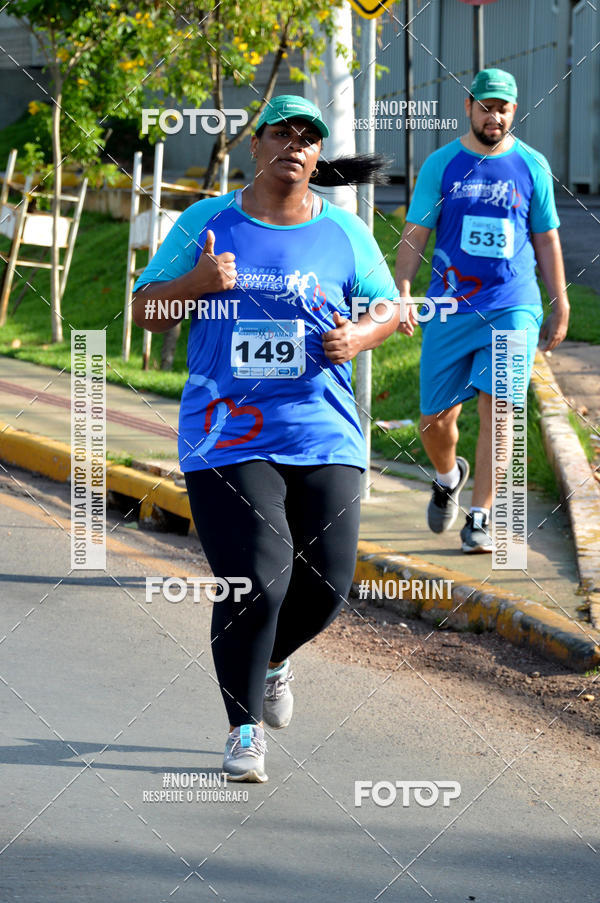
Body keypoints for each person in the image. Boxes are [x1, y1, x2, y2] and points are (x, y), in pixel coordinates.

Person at [132, 94, 400, 782]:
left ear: (317, 155)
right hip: (227, 435)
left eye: (308, 138)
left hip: (323, 430)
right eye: (281, 133)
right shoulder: (206, 221)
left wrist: (361, 334)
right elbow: (145, 310)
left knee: (328, 585)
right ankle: (243, 728)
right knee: (256, 580)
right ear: (257, 145)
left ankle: (274, 661)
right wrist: (196, 281)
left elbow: (389, 305)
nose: (295, 145)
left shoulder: (344, 231)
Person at [395, 68, 570, 553]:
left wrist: (559, 300)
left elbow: (546, 237)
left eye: (504, 108)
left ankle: (482, 517)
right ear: (469, 105)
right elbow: (415, 233)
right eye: (487, 106)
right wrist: (405, 288)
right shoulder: (442, 164)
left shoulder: (532, 166)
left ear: (515, 111)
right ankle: (449, 476)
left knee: (503, 410)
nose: (495, 116)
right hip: (449, 308)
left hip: (513, 304)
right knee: (434, 421)